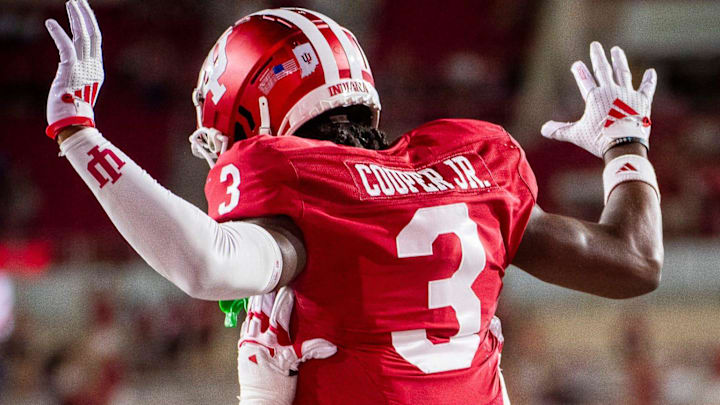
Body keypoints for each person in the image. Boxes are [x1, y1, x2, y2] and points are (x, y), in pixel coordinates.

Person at [44, 1, 663, 404]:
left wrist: (79, 134)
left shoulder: (301, 185)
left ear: (257, 115)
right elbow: (634, 261)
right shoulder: (474, 161)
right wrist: (625, 144)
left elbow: (208, 264)